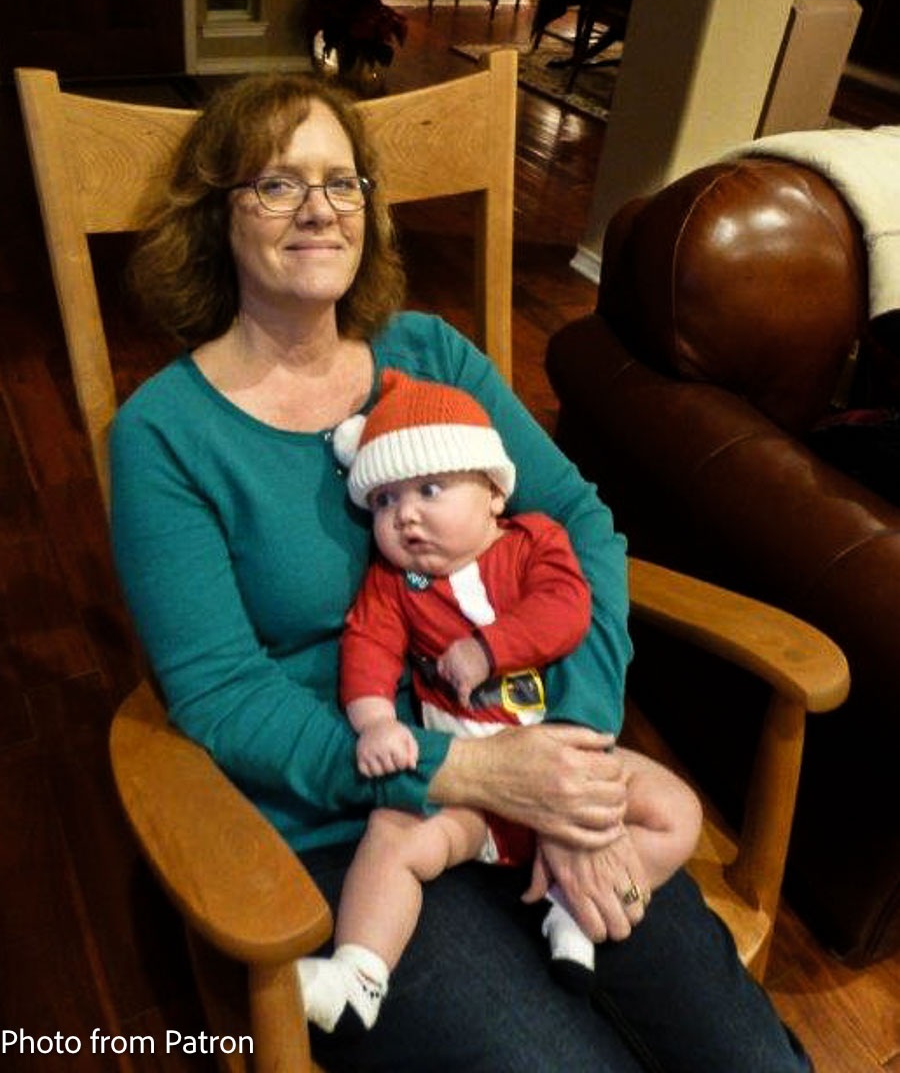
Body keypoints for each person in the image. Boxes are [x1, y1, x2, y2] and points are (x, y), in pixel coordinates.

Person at [110, 69, 813, 1072]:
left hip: (534, 748)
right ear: (217, 215)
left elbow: (578, 525)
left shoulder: (430, 358)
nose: (319, 208)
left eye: (342, 181)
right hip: (353, 824)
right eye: (276, 183)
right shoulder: (166, 435)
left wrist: (565, 753)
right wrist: (472, 772)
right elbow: (222, 695)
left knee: (745, 1055)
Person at [297, 369, 703, 1035]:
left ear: (492, 492)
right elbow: (366, 648)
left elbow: (567, 610)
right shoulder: (394, 585)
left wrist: (490, 649)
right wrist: (374, 721)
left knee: (675, 812)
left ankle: (573, 911)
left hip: (565, 764)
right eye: (384, 501)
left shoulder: (532, 543)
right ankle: (361, 973)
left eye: (431, 489)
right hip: (469, 791)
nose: (407, 515)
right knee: (393, 838)